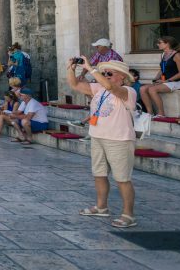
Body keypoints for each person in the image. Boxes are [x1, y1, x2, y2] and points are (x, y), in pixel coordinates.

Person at [67, 58, 139, 229]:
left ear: (122, 77)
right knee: (99, 174)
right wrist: (71, 68)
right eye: (104, 73)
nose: (105, 76)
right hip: (98, 136)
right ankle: (101, 207)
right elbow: (75, 85)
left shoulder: (128, 91)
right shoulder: (100, 89)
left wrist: (91, 69)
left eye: (109, 73)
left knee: (122, 178)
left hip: (119, 138)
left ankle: (128, 214)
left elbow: (110, 87)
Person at [140, 36, 180, 118]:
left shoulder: (177, 55)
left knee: (152, 89)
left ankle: (161, 114)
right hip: (166, 81)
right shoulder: (163, 54)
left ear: (167, 43)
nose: (157, 44)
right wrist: (156, 78)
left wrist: (167, 81)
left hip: (179, 82)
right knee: (142, 88)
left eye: (160, 43)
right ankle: (149, 113)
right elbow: (162, 69)